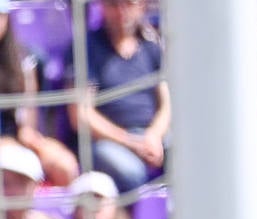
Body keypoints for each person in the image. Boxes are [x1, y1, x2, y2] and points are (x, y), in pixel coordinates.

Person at [68, 0, 171, 193]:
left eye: (128, 4)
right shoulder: (85, 49)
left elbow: (166, 104)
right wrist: (130, 141)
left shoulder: (151, 46)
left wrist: (154, 135)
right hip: (107, 141)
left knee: (192, 156)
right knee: (130, 172)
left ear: (142, 6)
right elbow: (82, 116)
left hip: (152, 137)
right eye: (113, 4)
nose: (121, 11)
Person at [0, 1, 78, 185]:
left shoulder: (22, 60)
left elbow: (27, 126)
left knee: (64, 165)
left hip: (15, 140)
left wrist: (36, 143)